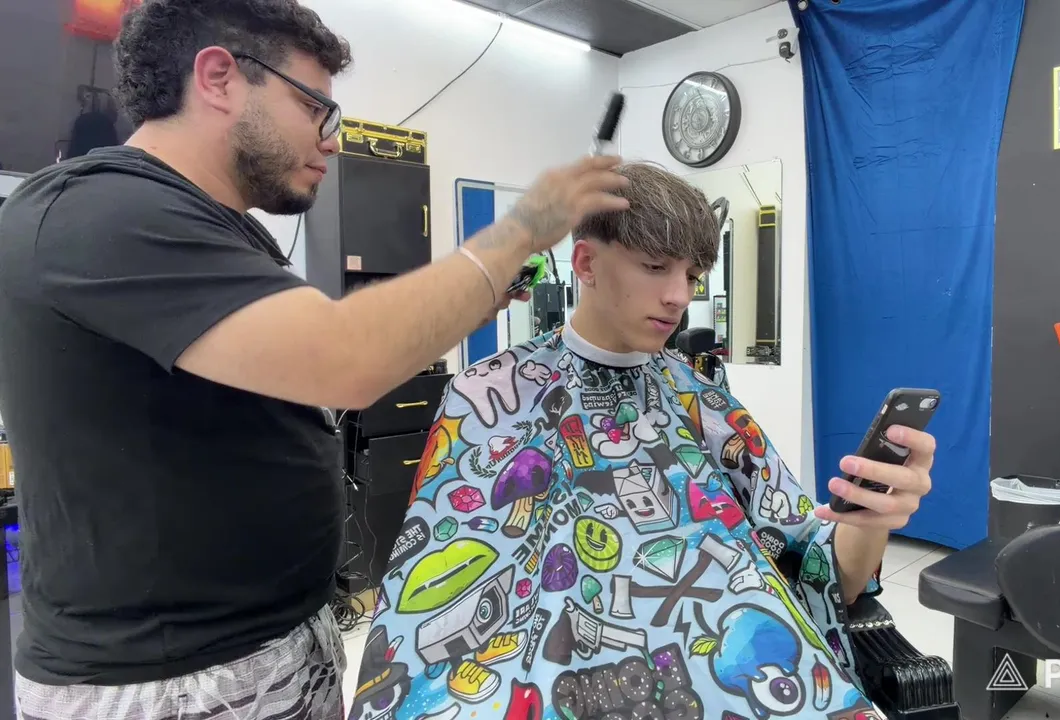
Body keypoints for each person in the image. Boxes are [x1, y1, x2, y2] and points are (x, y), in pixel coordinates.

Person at [0, 0, 630, 717]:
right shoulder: (101, 212)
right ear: (218, 78)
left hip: (273, 644)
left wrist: (474, 301)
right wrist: (521, 228)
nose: (331, 140)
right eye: (313, 107)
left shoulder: (223, 232)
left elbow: (301, 371)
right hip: (170, 681)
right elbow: (344, 358)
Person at [352, 162, 935, 720]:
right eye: (656, 267)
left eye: (692, 276)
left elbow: (822, 573)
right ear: (586, 262)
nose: (680, 296)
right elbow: (424, 607)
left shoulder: (704, 403)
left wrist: (873, 517)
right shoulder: (487, 395)